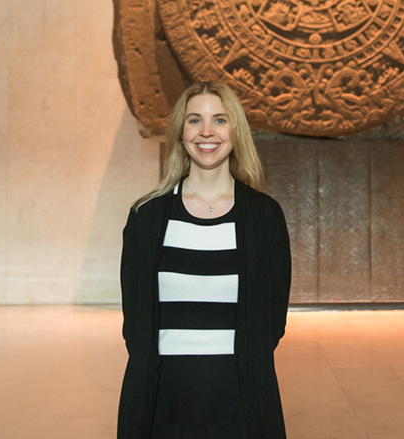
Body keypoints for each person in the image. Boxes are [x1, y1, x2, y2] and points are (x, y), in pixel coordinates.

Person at [117, 81, 292, 439]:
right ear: (181, 133)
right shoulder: (146, 217)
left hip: (242, 404)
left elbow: (272, 323)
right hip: (162, 405)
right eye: (195, 120)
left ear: (235, 132)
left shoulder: (264, 218)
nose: (207, 131)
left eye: (220, 120)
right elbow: (135, 322)